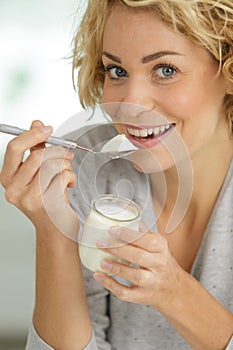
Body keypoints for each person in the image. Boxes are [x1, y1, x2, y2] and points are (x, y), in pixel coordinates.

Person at [1, 0, 233, 349]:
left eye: (165, 69)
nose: (130, 103)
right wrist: (56, 233)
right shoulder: (90, 169)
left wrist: (174, 292)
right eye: (117, 72)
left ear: (227, 70)